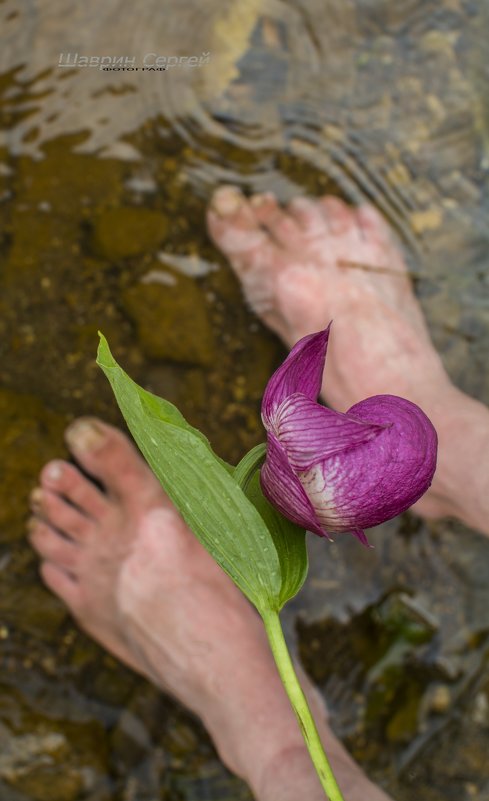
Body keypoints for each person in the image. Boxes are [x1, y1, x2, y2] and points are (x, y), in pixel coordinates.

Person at [27, 187, 489, 801]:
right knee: (402, 441)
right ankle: (454, 439)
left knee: (289, 765)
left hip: (313, 483)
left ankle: (270, 741)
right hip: (316, 479)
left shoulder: (284, 432)